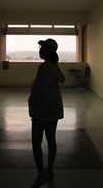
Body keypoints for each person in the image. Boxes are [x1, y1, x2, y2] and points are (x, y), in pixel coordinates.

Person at [28, 38, 65, 188]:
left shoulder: (44, 68)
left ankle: (41, 173)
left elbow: (40, 91)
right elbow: (62, 79)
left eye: (42, 48)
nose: (40, 50)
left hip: (41, 110)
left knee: (36, 142)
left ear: (48, 51)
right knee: (51, 140)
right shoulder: (54, 66)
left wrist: (32, 103)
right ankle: (49, 170)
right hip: (53, 110)